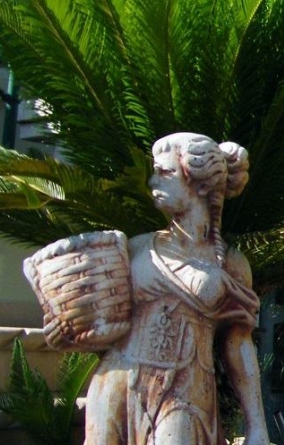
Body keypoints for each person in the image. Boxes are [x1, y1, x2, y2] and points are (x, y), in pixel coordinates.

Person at [85, 133, 270, 445]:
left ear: (201, 185)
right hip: (117, 380)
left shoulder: (231, 264)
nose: (152, 181)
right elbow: (103, 318)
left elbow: (238, 344)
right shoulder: (137, 248)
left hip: (187, 389)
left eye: (165, 172)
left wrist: (257, 425)